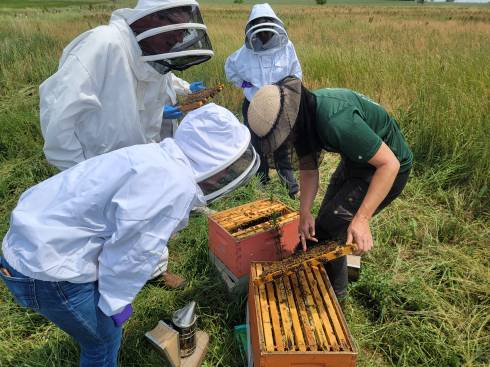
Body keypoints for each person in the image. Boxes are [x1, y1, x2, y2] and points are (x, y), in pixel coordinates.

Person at [0, 104, 259, 367]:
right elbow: (131, 254)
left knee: (101, 329)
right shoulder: (172, 186)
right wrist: (115, 304)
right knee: (103, 341)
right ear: (215, 159)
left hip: (29, 241)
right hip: (46, 269)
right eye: (228, 166)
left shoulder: (156, 156)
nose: (228, 173)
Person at [39, 0, 215, 287]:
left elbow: (162, 77)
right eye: (174, 31)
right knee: (100, 225)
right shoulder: (103, 45)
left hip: (139, 152)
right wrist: (78, 171)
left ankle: (154, 270)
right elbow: (59, 115)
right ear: (149, 20)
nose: (178, 40)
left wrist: (184, 92)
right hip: (95, 161)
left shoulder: (152, 51)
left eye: (182, 34)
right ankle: (95, 279)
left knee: (145, 213)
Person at [247, 76, 413, 301]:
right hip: (356, 160)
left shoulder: (335, 121)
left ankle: (336, 299)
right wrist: (304, 212)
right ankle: (324, 277)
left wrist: (362, 219)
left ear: (290, 119)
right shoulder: (301, 120)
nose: (285, 141)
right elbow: (308, 170)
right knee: (322, 229)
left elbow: (389, 164)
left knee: (330, 227)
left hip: (388, 167)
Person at [224, 3, 302, 198]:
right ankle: (261, 183)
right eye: (260, 31)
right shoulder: (244, 52)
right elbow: (230, 69)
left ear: (274, 26)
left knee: (281, 145)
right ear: (253, 30)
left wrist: (288, 93)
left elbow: (296, 72)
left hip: (279, 105)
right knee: (257, 146)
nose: (264, 37)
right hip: (254, 106)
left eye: (266, 31)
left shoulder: (286, 47)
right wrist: (244, 85)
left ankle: (290, 188)